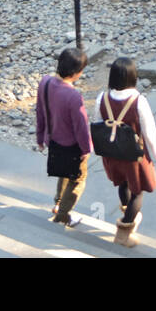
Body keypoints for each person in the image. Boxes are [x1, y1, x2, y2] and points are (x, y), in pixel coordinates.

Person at [94, 58, 156, 247]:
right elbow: (149, 132)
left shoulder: (101, 98)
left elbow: (97, 125)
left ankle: (127, 211)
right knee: (138, 192)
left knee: (123, 184)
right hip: (134, 157)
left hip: (113, 154)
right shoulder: (139, 101)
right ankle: (124, 231)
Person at [36, 47, 92, 227]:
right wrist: (86, 148)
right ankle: (63, 214)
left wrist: (39, 136)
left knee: (64, 171)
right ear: (76, 73)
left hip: (52, 139)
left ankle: (58, 203)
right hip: (72, 145)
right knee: (77, 178)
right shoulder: (73, 96)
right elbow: (81, 126)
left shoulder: (45, 82)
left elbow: (40, 111)